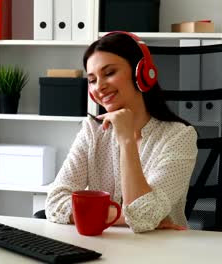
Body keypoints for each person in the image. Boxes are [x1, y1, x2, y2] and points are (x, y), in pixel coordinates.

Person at [45, 31, 198, 233]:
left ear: (141, 73)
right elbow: (55, 202)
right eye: (92, 80)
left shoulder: (179, 136)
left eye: (109, 73)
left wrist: (126, 139)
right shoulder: (92, 131)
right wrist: (124, 217)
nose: (99, 87)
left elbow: (143, 216)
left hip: (158, 251)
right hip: (105, 246)